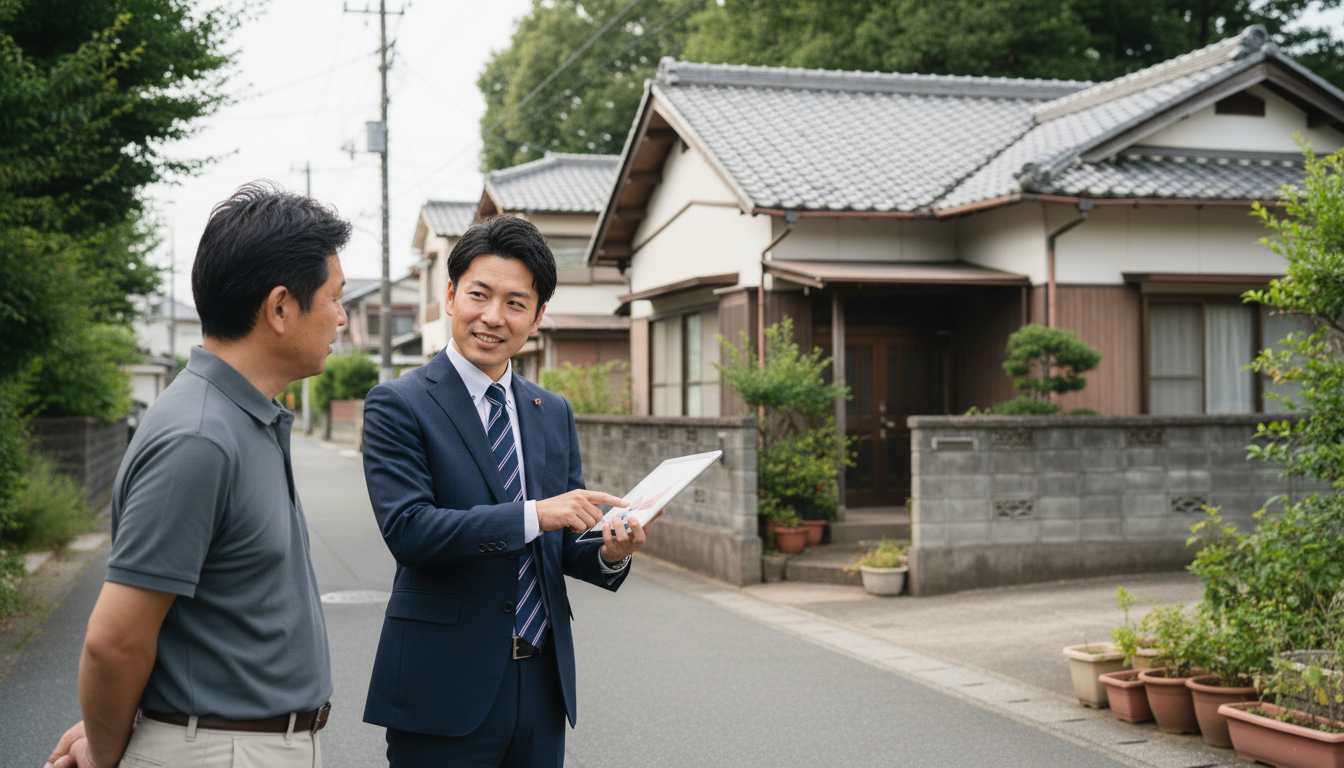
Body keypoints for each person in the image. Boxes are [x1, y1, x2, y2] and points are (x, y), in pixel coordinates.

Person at [45, 183, 351, 768]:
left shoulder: (244, 416)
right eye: (335, 298)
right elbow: (115, 641)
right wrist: (108, 750)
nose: (341, 316)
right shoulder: (200, 437)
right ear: (281, 307)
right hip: (223, 751)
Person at [360, 214, 655, 767]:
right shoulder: (398, 404)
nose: (493, 317)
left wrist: (610, 553)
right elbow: (410, 531)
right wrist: (535, 514)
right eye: (479, 295)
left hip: (541, 686)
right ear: (450, 295)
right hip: (443, 688)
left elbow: (563, 539)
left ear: (538, 316)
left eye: (516, 303)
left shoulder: (551, 410)